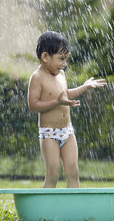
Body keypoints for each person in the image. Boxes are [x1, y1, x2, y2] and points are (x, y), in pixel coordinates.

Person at [28, 31, 106, 188]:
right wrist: (56, 102)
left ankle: (74, 207)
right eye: (61, 59)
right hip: (49, 133)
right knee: (53, 173)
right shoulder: (37, 77)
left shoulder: (60, 74)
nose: (64, 63)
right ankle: (45, 209)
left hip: (67, 131)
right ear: (45, 57)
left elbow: (64, 95)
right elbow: (33, 105)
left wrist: (84, 87)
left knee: (72, 171)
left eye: (66, 59)